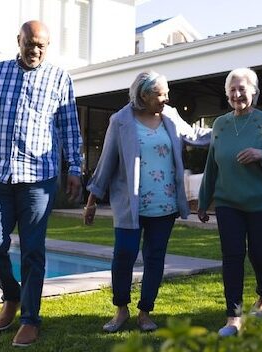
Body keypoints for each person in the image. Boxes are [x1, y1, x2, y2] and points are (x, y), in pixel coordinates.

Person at [0, 21, 82, 347]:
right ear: (19, 41)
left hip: (39, 180)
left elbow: (69, 129)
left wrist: (75, 168)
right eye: (30, 44)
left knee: (32, 251)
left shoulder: (59, 78)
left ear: (48, 45)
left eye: (42, 45)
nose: (35, 50)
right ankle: (11, 294)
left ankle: (30, 319)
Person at [84, 71, 211, 333]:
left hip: (164, 205)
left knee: (155, 258)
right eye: (160, 94)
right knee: (124, 256)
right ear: (144, 95)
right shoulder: (121, 120)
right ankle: (121, 309)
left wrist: (227, 128)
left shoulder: (170, 116)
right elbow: (107, 161)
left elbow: (194, 135)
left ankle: (145, 312)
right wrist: (92, 200)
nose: (166, 98)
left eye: (167, 93)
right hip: (131, 205)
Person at [198, 68, 262, 337]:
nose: (237, 94)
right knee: (232, 257)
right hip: (228, 203)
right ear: (227, 95)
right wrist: (204, 201)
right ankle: (233, 317)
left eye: (242, 88)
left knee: (260, 255)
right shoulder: (219, 124)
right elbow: (212, 165)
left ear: (254, 91)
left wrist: (261, 154)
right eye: (232, 90)